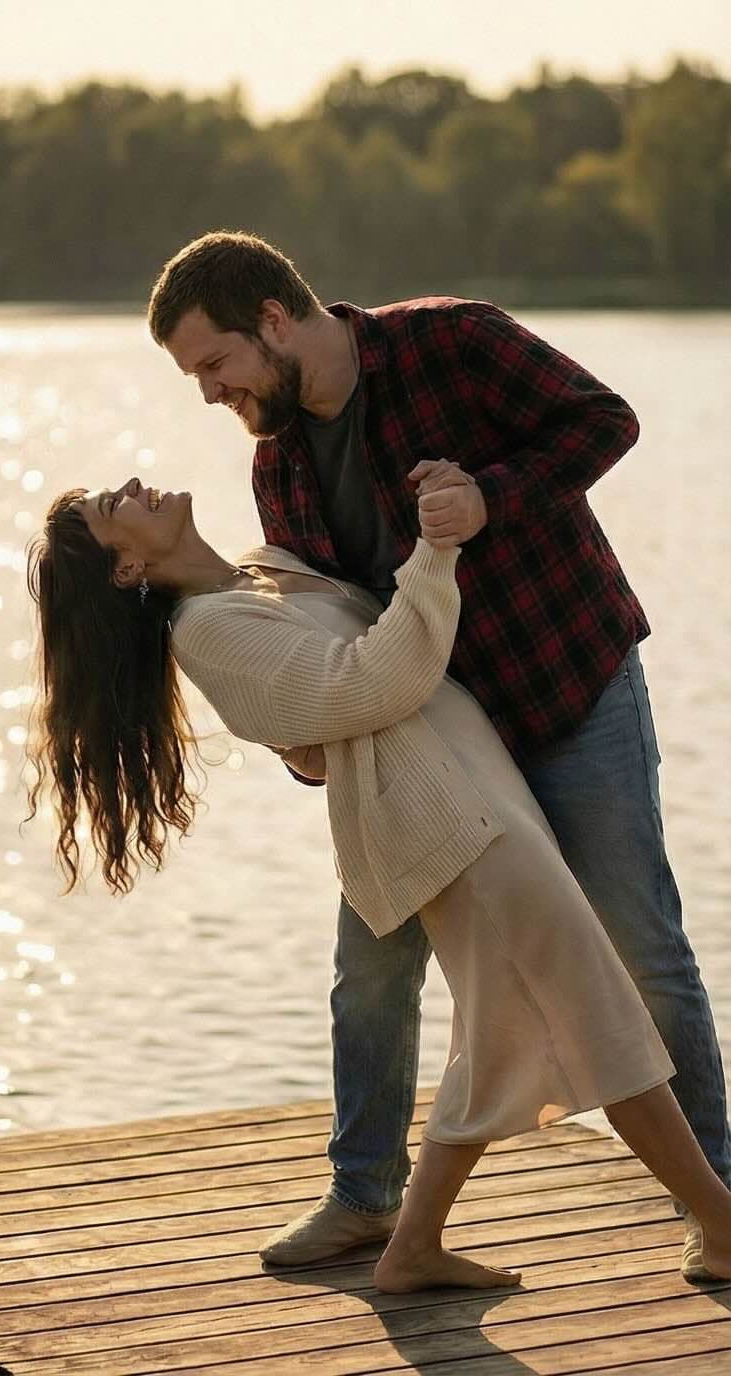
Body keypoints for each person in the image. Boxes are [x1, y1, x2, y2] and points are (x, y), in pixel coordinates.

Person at [144, 231, 730, 1279]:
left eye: (214, 364)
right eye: (197, 377)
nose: (210, 392)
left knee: (641, 944)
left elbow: (607, 419)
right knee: (368, 970)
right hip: (431, 751)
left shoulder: (453, 340)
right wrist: (305, 751)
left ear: (273, 318)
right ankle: (366, 1198)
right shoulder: (277, 463)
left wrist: (493, 493)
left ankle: (718, 1199)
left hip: (568, 689)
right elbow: (329, 640)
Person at [26, 472, 731, 1290]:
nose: (135, 485)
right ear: (123, 570)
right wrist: (437, 551)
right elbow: (372, 680)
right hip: (452, 825)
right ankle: (720, 1225)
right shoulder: (207, 628)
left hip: (482, 792)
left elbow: (341, 687)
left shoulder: (264, 569)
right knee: (596, 1014)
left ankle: (414, 1247)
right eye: (114, 507)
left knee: (501, 1034)